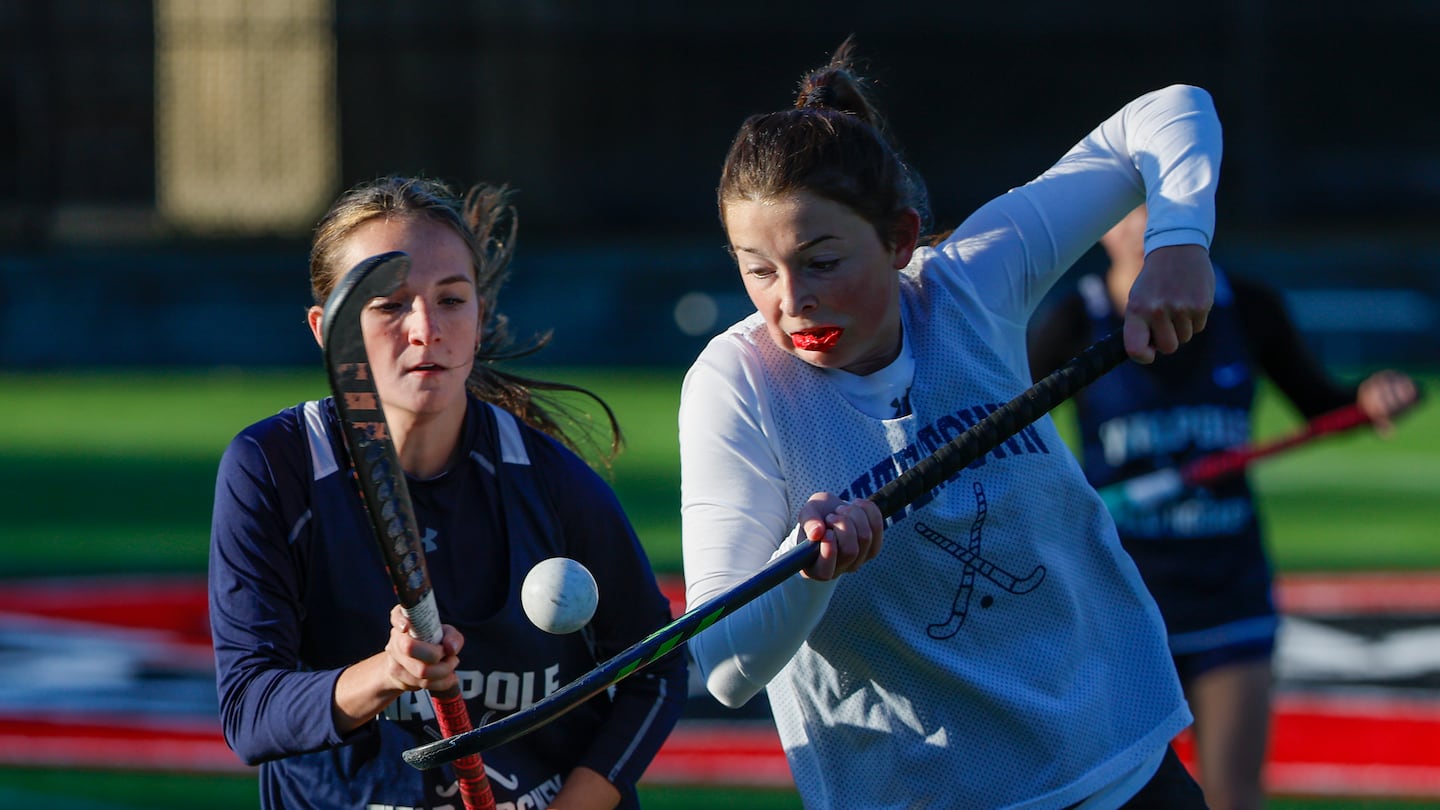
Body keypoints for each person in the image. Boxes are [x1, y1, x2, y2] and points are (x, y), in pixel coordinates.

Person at [679, 37, 1219, 809]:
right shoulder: (735, 386)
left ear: (901, 239)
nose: (791, 301)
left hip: (1120, 770)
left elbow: (1169, 111)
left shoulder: (968, 285)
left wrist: (1175, 243)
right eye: (758, 269)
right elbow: (728, 667)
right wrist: (806, 567)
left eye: (822, 261)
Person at [209, 176, 687, 810]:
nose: (425, 328)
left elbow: (653, 668)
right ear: (327, 330)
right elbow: (251, 712)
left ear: (480, 316)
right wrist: (388, 674)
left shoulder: (548, 480)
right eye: (388, 304)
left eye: (452, 299)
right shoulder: (275, 470)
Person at [1027, 204, 1420, 810]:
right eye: (1133, 215)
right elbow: (1002, 424)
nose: (1149, 231)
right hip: (1122, 601)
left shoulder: (1248, 307)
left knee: (1234, 796)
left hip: (1228, 590)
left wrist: (1370, 398)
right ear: (1103, 228)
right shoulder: (1079, 318)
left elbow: (1323, 403)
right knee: (1112, 797)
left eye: (1168, 216)